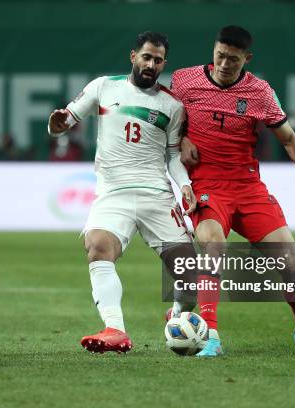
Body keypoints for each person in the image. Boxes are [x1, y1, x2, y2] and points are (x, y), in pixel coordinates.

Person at [171, 26, 295, 357]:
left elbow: (290, 139)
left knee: (289, 259)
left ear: (247, 59)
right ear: (213, 50)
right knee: (213, 243)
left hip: (248, 186)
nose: (224, 64)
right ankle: (210, 335)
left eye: (233, 60)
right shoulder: (183, 80)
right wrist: (181, 139)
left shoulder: (260, 92)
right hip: (206, 184)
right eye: (220, 55)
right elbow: (167, 125)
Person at [48, 32, 198, 354]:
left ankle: (176, 314)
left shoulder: (172, 106)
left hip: (157, 193)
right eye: (146, 57)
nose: (151, 64)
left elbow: (172, 156)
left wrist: (184, 184)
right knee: (99, 246)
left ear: (164, 64)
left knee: (190, 275)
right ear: (133, 56)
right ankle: (115, 329)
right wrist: (57, 125)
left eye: (157, 60)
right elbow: (67, 119)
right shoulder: (103, 87)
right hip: (113, 191)